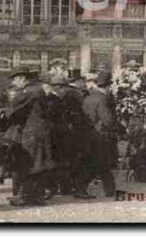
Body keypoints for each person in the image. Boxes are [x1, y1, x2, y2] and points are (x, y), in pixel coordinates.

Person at [3, 67, 56, 207]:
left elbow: (14, 107)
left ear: (22, 78)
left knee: (28, 163)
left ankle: (24, 197)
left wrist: (5, 114)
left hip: (32, 133)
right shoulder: (37, 89)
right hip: (39, 131)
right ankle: (37, 196)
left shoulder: (29, 91)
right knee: (38, 164)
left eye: (15, 80)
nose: (14, 83)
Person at [77, 71, 118, 198]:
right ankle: (110, 190)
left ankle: (82, 189)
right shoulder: (102, 99)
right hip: (101, 136)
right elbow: (107, 119)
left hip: (88, 135)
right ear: (107, 86)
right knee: (103, 163)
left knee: (93, 163)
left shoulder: (88, 98)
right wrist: (118, 130)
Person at [61, 69, 92, 198]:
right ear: (77, 81)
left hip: (65, 131)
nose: (84, 83)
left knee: (67, 160)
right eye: (83, 81)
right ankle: (80, 189)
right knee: (82, 160)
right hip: (79, 130)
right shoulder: (79, 94)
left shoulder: (63, 92)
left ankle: (66, 187)